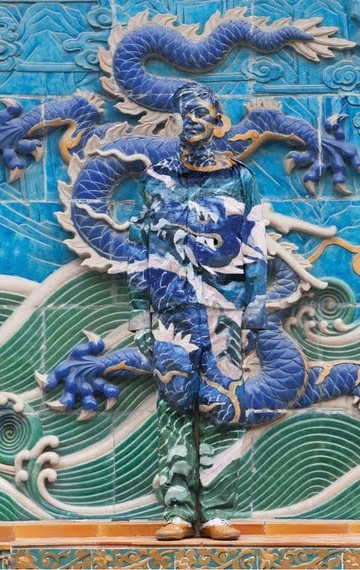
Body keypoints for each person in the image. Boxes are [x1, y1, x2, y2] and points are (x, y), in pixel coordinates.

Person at [126, 84, 268, 541]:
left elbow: (256, 245)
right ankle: (179, 511)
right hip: (171, 313)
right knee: (173, 404)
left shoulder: (240, 178)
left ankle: (217, 512)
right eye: (185, 113)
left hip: (224, 311)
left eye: (201, 113)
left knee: (222, 405)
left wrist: (256, 305)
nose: (192, 120)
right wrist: (139, 315)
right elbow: (140, 250)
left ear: (216, 122)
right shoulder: (155, 179)